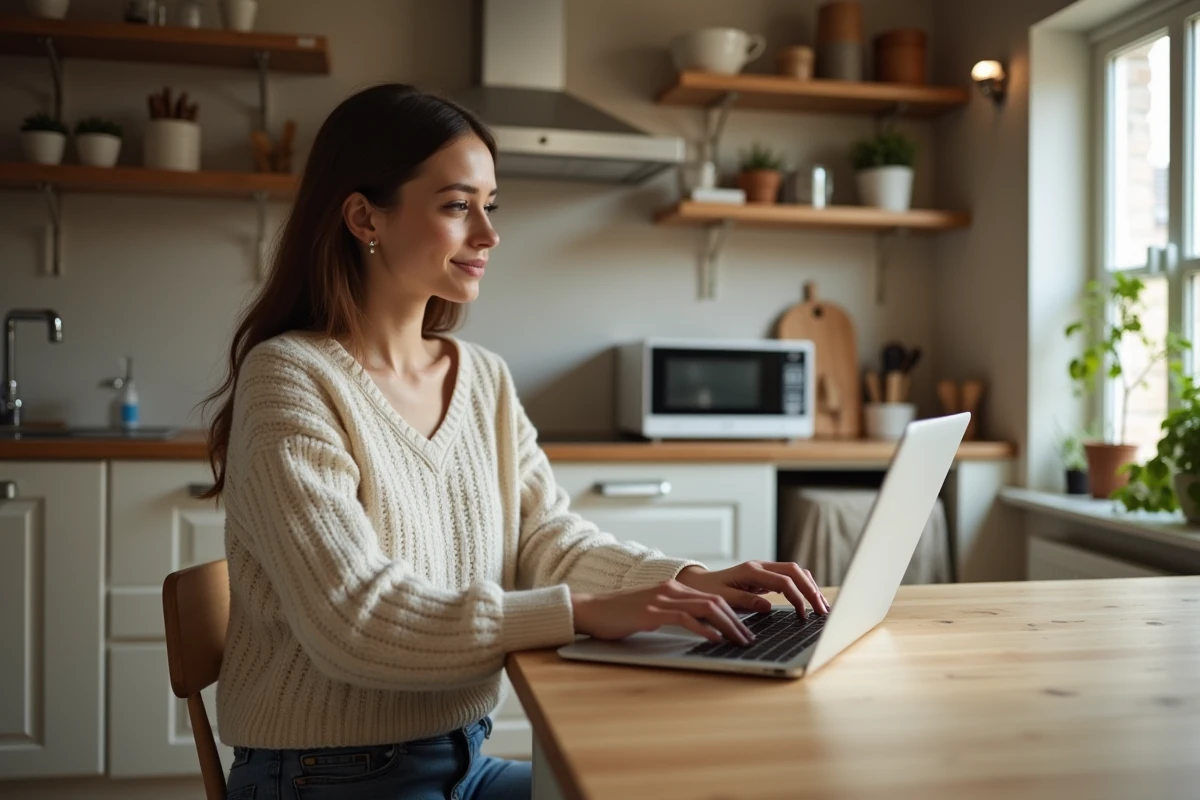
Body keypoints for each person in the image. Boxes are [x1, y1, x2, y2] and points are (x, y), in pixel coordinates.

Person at [199, 83, 830, 800]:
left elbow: (549, 540)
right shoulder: (290, 377)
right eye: (457, 205)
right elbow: (352, 618)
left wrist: (684, 583)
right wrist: (578, 612)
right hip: (328, 777)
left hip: (467, 759)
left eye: (489, 206)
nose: (489, 235)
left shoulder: (482, 379)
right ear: (362, 215)